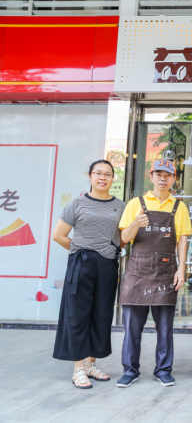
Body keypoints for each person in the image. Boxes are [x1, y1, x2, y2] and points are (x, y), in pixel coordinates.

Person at [116, 159, 191, 388]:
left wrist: (181, 268)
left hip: (166, 271)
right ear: (151, 177)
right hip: (137, 272)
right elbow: (123, 239)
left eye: (168, 175)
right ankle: (130, 370)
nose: (163, 178)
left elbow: (182, 239)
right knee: (132, 327)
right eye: (158, 174)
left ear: (174, 179)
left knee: (165, 327)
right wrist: (136, 223)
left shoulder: (179, 206)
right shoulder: (135, 204)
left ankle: (164, 370)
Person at [52, 160, 126, 389]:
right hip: (81, 263)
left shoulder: (121, 206)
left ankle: (91, 364)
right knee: (78, 315)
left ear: (113, 178)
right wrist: (80, 250)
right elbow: (59, 235)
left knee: (101, 314)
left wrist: (110, 250)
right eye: (98, 173)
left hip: (107, 265)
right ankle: (78, 369)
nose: (103, 178)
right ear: (91, 176)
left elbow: (123, 238)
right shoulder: (77, 203)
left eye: (108, 174)